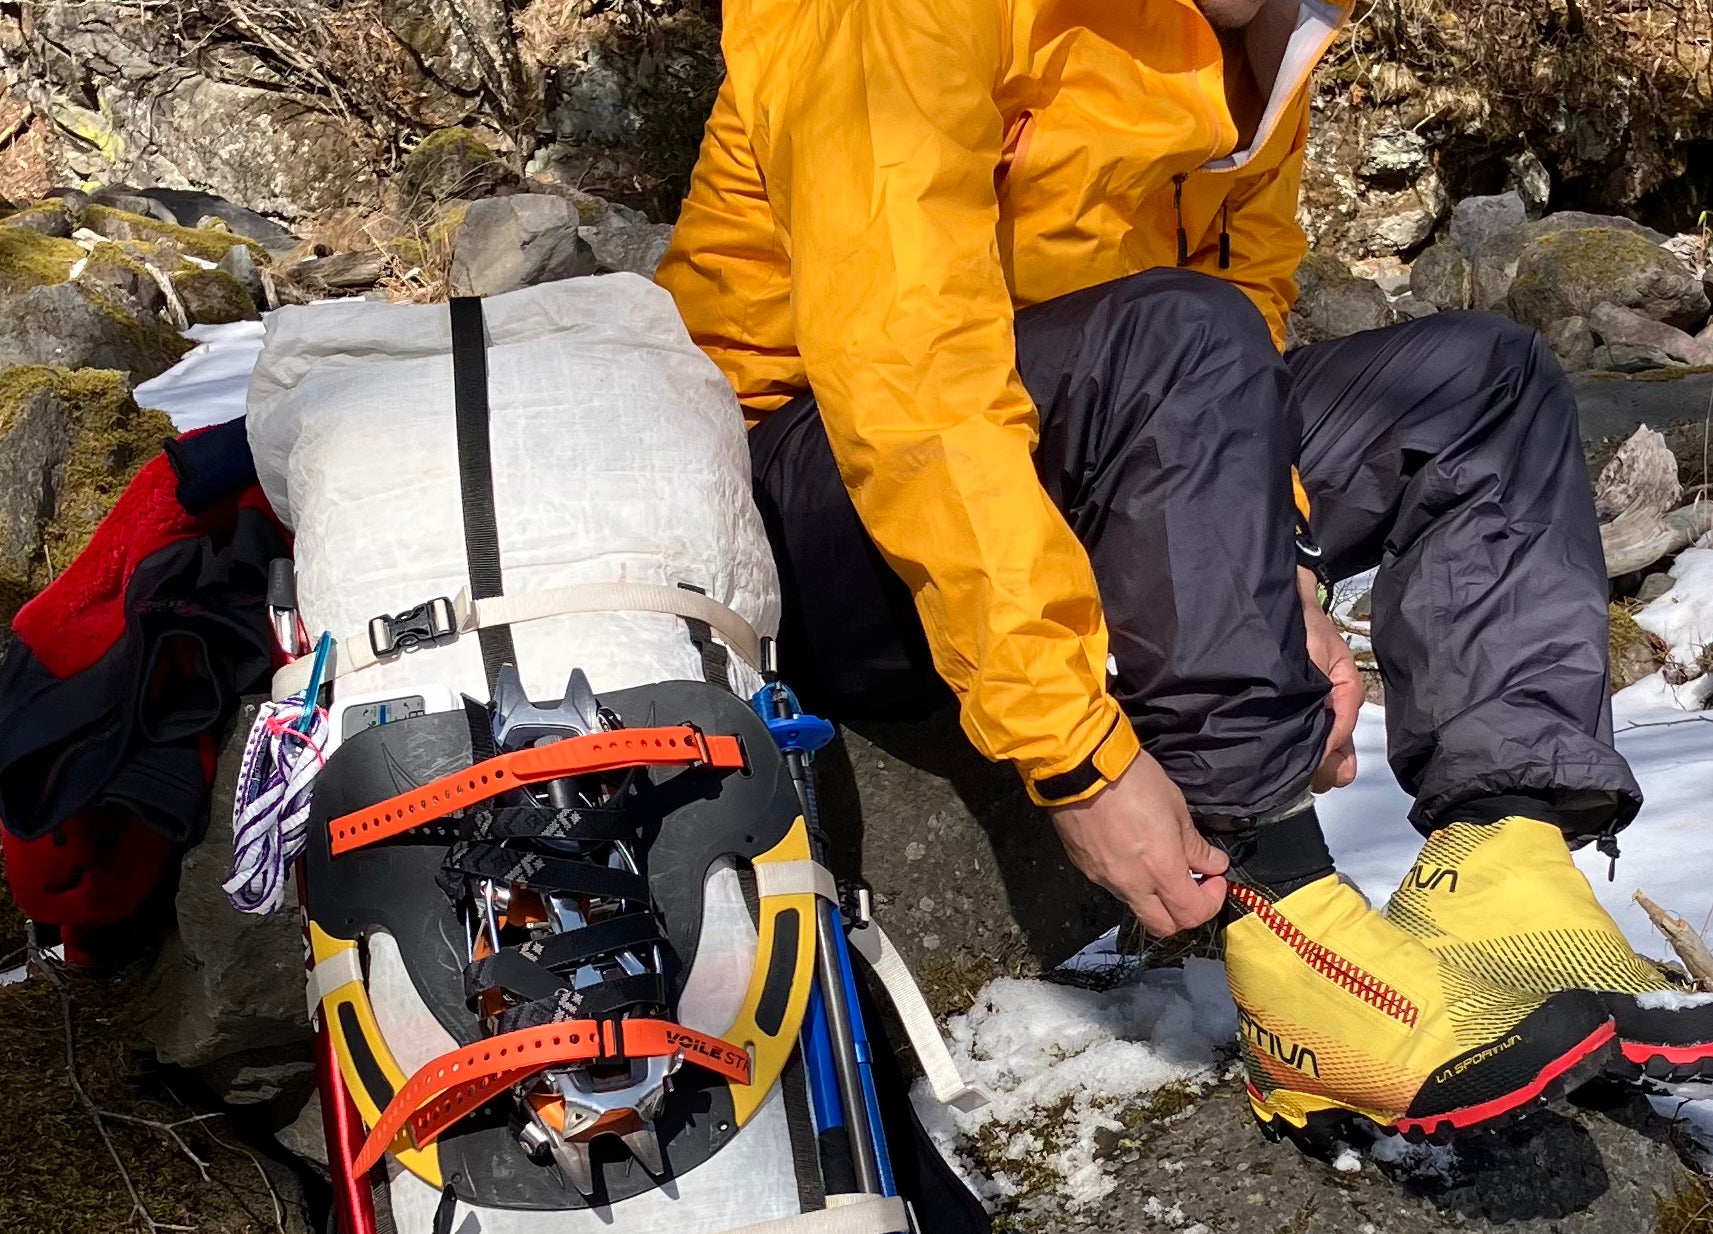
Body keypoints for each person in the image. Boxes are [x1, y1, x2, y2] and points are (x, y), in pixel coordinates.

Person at [656, 0, 1713, 1146]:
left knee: (1478, 381)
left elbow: (1242, 337)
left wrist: (1287, 565)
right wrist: (1077, 755)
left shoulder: (1265, 31)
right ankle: (1288, 921)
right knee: (1179, 335)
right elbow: (913, 394)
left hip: (1080, 432)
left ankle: (1503, 873)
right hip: (799, 492)